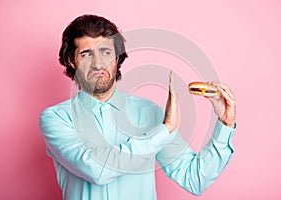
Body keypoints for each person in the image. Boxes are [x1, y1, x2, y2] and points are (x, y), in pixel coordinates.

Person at [39, 14, 236, 200]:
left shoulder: (151, 114)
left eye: (106, 52)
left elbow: (194, 179)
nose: (98, 64)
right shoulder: (56, 118)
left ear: (117, 58)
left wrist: (224, 125)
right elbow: (97, 170)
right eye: (86, 54)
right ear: (72, 61)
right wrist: (164, 130)